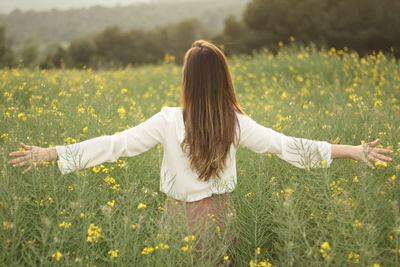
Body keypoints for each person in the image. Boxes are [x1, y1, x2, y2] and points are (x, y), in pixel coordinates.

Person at [8, 40, 393, 264]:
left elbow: (114, 146)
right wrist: (354, 151)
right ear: (224, 77)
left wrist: (53, 153)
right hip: (219, 220)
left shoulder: (167, 119)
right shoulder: (236, 122)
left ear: (187, 80)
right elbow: (291, 148)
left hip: (175, 223)